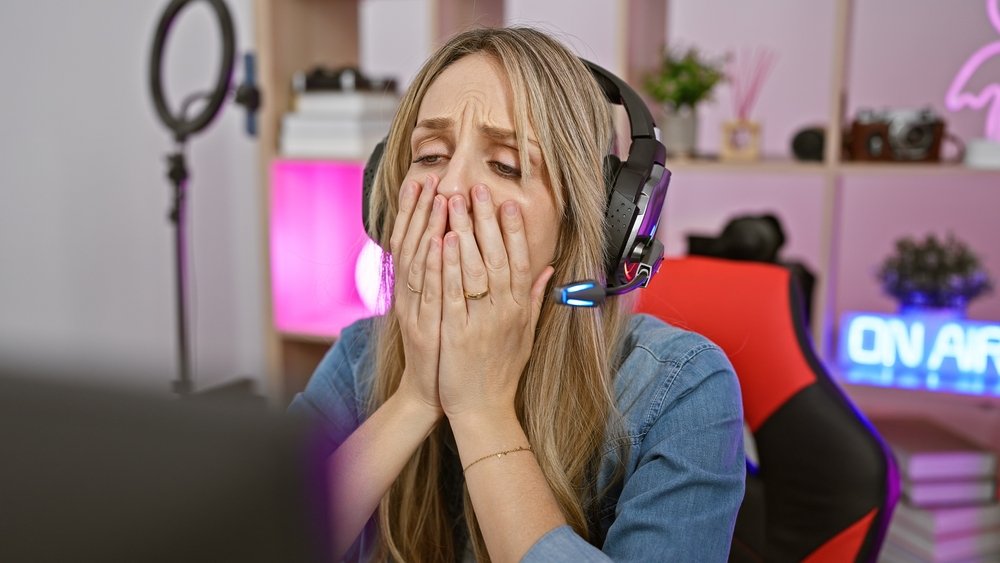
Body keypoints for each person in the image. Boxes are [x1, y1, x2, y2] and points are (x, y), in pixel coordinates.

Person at [289, 27, 745, 562]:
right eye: (430, 155)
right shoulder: (359, 357)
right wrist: (413, 397)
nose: (452, 188)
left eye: (506, 164)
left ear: (593, 218)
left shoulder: (683, 391)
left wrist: (482, 411)